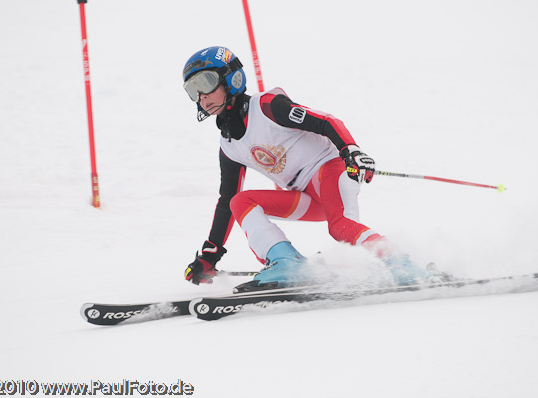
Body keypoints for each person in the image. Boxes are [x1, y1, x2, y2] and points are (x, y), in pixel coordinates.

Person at [182, 46, 434, 292]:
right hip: (307, 196)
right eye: (193, 90)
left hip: (330, 169)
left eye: (205, 82)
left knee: (339, 226)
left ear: (231, 79)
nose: (201, 97)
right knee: (240, 201)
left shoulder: (267, 106)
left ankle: (400, 262)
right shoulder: (229, 145)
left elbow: (326, 121)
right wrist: (209, 255)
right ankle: (286, 263)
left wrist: (350, 150)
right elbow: (225, 202)